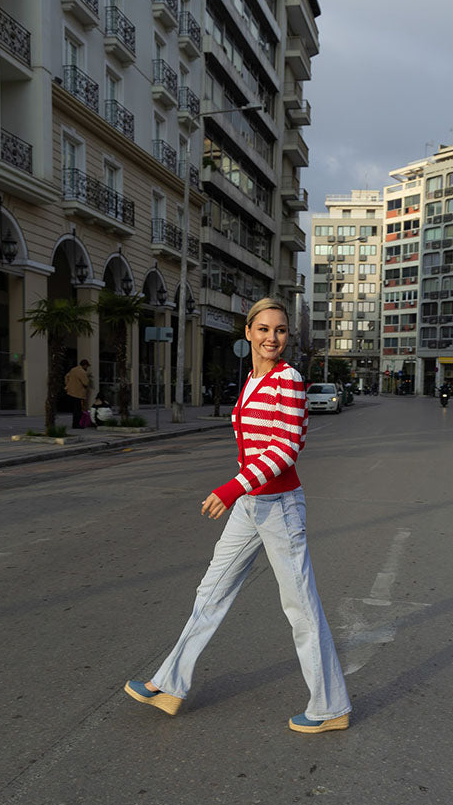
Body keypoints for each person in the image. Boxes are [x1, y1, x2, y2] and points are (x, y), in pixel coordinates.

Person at [125, 298, 351, 734]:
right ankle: (171, 683)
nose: (272, 338)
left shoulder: (289, 379)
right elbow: (274, 439)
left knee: (300, 607)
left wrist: (234, 486)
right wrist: (242, 489)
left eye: (281, 330)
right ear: (247, 332)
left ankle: (330, 706)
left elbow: (288, 447)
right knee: (210, 591)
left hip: (279, 506)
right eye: (264, 329)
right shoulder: (251, 379)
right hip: (252, 504)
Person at [64, 359, 90, 429]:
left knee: (75, 410)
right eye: (87, 366)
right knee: (78, 410)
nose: (87, 368)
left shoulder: (73, 369)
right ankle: (76, 425)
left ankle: (74, 424)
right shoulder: (82, 372)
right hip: (78, 393)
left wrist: (68, 384)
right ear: (85, 365)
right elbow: (86, 383)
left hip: (70, 392)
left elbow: (66, 376)